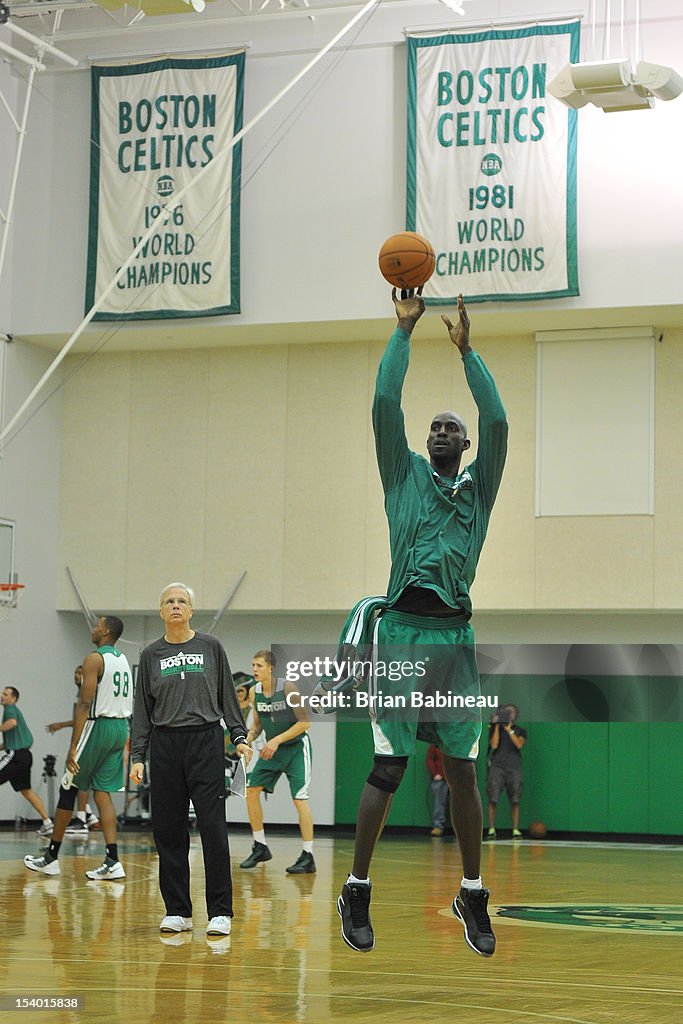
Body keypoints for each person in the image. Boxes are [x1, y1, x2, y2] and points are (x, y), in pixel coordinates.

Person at [337, 290, 507, 957]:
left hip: (455, 639)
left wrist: (467, 353)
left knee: (463, 771)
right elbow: (384, 405)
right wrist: (401, 333)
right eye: (432, 426)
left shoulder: (478, 489)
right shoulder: (401, 475)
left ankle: (470, 892)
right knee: (389, 764)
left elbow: (496, 421)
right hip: (403, 633)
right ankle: (356, 886)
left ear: (463, 445)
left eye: (449, 427)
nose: (439, 431)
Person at [129, 582, 252, 938]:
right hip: (165, 744)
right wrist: (138, 754)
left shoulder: (210, 646)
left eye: (182, 601)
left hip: (206, 741)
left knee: (213, 827)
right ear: (161, 611)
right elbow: (142, 711)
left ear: (191, 610)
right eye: (169, 601)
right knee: (168, 829)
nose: (176, 606)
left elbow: (227, 695)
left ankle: (220, 912)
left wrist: (239, 736)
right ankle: (177, 911)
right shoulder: (151, 655)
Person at [24, 616, 132, 879]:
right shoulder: (123, 659)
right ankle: (113, 860)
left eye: (97, 625)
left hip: (98, 727)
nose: (93, 628)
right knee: (103, 794)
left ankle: (51, 857)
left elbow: (84, 703)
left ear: (105, 631)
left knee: (67, 787)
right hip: (121, 728)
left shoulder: (94, 658)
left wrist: (73, 746)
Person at [240, 650, 315, 875]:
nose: (254, 669)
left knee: (299, 799)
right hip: (272, 751)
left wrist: (276, 740)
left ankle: (308, 855)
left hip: (295, 749)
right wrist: (248, 739)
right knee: (251, 791)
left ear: (271, 668)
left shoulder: (289, 689)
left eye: (259, 665)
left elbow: (304, 723)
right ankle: (260, 845)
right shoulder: (254, 693)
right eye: (253, 665)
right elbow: (257, 724)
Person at [46, 664, 100, 835]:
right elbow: (77, 720)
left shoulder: (89, 691)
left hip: (90, 739)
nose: (76, 676)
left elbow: (83, 719)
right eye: (75, 673)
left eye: (80, 673)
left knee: (77, 778)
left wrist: (61, 725)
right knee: (72, 780)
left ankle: (82, 819)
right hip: (84, 738)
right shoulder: (80, 693)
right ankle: (89, 816)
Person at [1, 686, 53, 836]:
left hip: (16, 756)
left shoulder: (10, 709)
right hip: (24, 756)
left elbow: (11, 723)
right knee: (27, 791)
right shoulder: (14, 712)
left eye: (5, 694)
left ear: (13, 699)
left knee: (26, 791)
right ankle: (47, 823)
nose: (2, 696)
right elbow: (9, 740)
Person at [486, 704, 527, 840]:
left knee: (515, 799)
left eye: (511, 712)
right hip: (497, 766)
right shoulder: (494, 728)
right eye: (506, 712)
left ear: (515, 715)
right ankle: (491, 829)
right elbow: (494, 745)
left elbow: (519, 745)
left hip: (514, 767)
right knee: (493, 798)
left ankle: (515, 829)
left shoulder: (520, 731)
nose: (508, 714)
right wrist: (497, 726)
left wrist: (509, 730)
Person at [426, 744, 449, 837]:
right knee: (438, 802)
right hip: (440, 779)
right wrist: (434, 773)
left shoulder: (457, 741)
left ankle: (460, 828)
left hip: (455, 778)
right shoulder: (435, 744)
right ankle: (437, 826)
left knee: (459, 804)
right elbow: (430, 759)